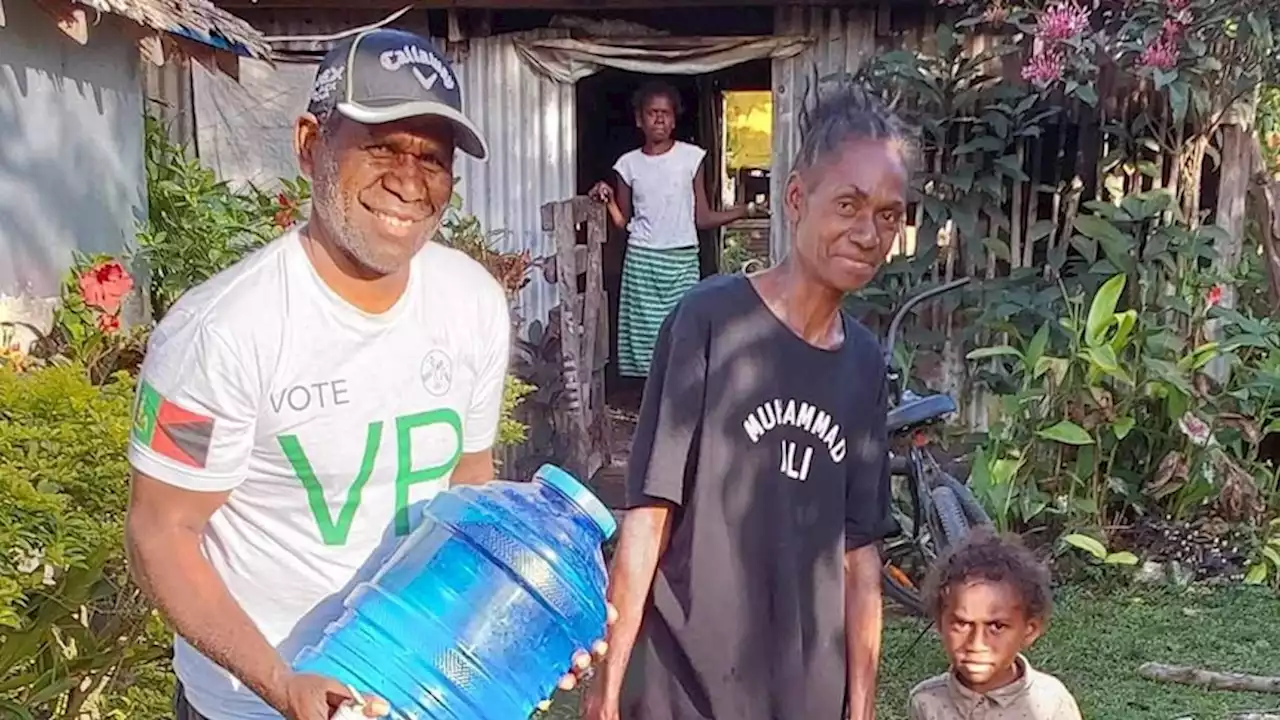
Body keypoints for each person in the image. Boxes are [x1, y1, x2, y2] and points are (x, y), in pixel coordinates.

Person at [123, 29, 607, 720]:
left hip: (419, 697)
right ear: (310, 144)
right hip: (249, 706)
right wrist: (281, 683)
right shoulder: (223, 333)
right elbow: (158, 536)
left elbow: (467, 485)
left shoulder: (470, 302)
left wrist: (517, 619)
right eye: (382, 146)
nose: (409, 180)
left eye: (431, 159)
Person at [580, 82, 909, 720]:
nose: (869, 233)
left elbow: (859, 552)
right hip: (684, 684)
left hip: (804, 691)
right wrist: (608, 687)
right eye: (848, 203)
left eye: (889, 214)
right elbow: (649, 514)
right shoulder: (709, 320)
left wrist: (861, 707)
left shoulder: (864, 363)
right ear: (795, 198)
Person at [588, 80, 765, 380]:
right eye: (652, 112)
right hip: (642, 261)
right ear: (639, 119)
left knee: (682, 334)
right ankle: (648, 406)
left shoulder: (690, 158)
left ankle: (678, 405)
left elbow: (703, 217)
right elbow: (623, 223)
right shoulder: (627, 165)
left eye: (666, 113)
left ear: (674, 119)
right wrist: (606, 200)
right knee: (646, 342)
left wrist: (746, 210)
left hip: (682, 260)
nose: (659, 118)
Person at [908, 530, 1083, 720]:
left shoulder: (1051, 703)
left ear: (1029, 630)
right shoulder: (926, 701)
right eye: (961, 624)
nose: (976, 644)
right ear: (940, 624)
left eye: (996, 626)